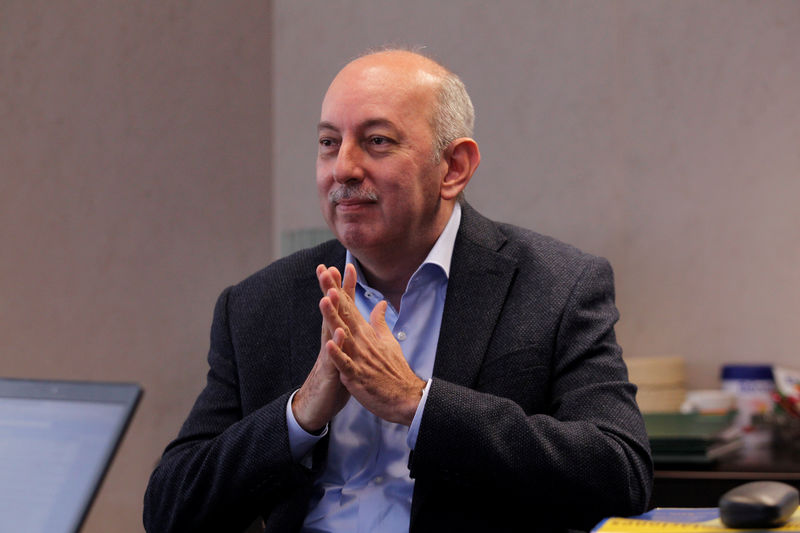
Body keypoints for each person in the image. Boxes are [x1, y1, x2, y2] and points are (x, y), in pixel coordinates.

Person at [143, 48, 652, 533]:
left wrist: (418, 404)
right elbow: (170, 510)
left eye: (377, 141)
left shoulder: (556, 286)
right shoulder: (257, 304)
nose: (343, 168)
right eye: (328, 143)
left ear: (454, 168)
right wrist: (300, 415)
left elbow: (620, 476)